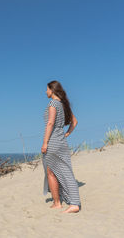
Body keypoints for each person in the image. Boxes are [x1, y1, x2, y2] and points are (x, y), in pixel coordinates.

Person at [41, 80, 81, 213]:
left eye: (47, 89)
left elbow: (50, 123)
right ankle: (58, 202)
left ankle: (72, 203)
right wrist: (66, 134)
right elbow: (74, 122)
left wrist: (45, 142)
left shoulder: (53, 103)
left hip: (53, 142)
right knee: (52, 171)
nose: (45, 92)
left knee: (61, 172)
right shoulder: (64, 105)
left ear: (52, 90)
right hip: (61, 142)